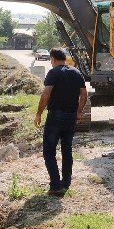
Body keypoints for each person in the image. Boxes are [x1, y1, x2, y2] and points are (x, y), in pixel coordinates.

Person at [34, 48, 87, 196]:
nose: (51, 63)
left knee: (49, 151)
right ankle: (66, 183)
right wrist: (79, 112)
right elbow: (84, 94)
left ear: (53, 59)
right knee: (66, 150)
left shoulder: (54, 72)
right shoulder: (76, 72)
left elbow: (46, 94)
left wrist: (38, 113)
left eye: (51, 60)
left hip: (55, 117)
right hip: (71, 117)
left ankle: (56, 185)